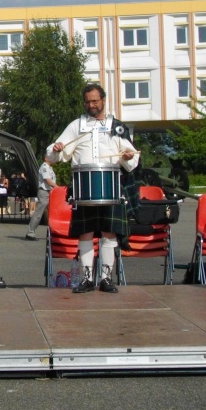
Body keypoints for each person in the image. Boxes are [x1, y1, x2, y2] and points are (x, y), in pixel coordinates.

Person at [47, 83, 139, 293]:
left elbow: (132, 160)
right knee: (85, 233)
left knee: (109, 233)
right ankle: (87, 279)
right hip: (83, 188)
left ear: (103, 101)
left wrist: (127, 156)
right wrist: (56, 148)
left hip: (111, 187)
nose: (91, 105)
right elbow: (53, 155)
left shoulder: (117, 127)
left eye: (95, 101)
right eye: (88, 101)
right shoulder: (76, 126)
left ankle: (106, 279)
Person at [25, 156, 57, 240]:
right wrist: (58, 187)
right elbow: (48, 180)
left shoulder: (50, 168)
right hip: (44, 192)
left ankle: (54, 232)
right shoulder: (44, 167)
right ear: (46, 158)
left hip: (50, 192)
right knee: (39, 213)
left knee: (52, 214)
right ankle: (30, 232)